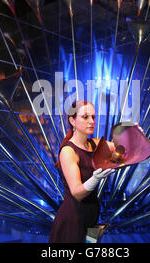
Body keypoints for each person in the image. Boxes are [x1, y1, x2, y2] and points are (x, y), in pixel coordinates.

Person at [49, 100, 115, 243]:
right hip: (73, 221)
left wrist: (134, 134)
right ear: (72, 120)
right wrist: (95, 179)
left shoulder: (94, 144)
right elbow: (77, 193)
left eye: (93, 117)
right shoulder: (68, 151)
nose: (91, 121)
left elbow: (123, 149)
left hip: (91, 218)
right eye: (85, 117)